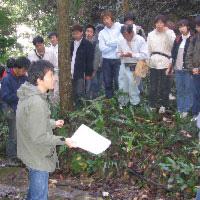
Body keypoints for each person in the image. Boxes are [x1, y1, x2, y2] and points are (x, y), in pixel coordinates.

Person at [16, 60, 77, 200]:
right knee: (39, 197)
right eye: (50, 75)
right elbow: (39, 137)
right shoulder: (37, 102)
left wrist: (53, 123)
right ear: (39, 79)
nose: (54, 78)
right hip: (37, 157)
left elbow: (30, 121)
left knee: (33, 194)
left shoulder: (28, 95)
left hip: (29, 151)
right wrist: (64, 140)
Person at [1, 56, 30, 164]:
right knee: (14, 131)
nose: (25, 72)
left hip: (21, 107)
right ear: (18, 67)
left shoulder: (24, 78)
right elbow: (4, 96)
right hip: (8, 107)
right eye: (24, 69)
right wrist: (19, 96)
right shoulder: (7, 79)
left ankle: (20, 155)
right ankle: (11, 157)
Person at [147, 15, 176, 113]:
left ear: (164, 23)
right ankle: (152, 105)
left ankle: (164, 105)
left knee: (165, 86)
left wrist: (166, 32)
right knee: (153, 86)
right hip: (153, 62)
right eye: (157, 22)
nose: (159, 25)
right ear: (155, 23)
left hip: (165, 62)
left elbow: (173, 45)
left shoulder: (170, 33)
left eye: (161, 22)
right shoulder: (151, 34)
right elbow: (148, 49)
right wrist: (147, 62)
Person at [166, 19, 193, 118]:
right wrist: (170, 67)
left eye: (183, 26)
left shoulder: (193, 39)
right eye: (180, 26)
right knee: (180, 90)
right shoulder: (177, 39)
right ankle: (180, 109)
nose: (182, 28)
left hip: (188, 70)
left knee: (189, 90)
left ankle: (186, 110)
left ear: (188, 27)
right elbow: (173, 55)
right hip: (178, 70)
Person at [116, 24, 148, 108]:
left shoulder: (140, 40)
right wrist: (121, 55)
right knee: (122, 85)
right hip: (124, 65)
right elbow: (117, 54)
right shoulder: (121, 41)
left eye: (127, 35)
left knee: (133, 86)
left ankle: (135, 105)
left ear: (132, 32)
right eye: (124, 35)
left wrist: (132, 55)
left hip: (136, 66)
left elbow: (145, 55)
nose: (126, 37)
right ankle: (123, 104)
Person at [28, 35, 59, 105]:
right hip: (39, 79)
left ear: (43, 43)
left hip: (51, 76)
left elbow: (56, 66)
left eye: (40, 45)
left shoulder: (51, 52)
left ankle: (54, 108)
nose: (39, 47)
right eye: (37, 46)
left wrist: (54, 78)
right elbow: (30, 70)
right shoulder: (31, 55)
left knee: (54, 95)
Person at [98, 10, 123, 99]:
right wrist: (115, 45)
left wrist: (108, 43)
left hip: (118, 59)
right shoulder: (102, 33)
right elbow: (102, 48)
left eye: (107, 18)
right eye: (104, 19)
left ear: (111, 17)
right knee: (108, 82)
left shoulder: (120, 27)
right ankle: (110, 101)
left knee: (118, 81)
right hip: (106, 60)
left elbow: (120, 41)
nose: (106, 21)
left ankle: (120, 101)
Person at [70, 24, 93, 108]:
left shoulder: (87, 44)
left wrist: (88, 73)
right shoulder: (71, 44)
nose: (75, 35)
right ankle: (76, 108)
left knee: (80, 92)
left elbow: (90, 60)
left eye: (77, 33)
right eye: (74, 34)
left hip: (81, 72)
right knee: (74, 92)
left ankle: (83, 109)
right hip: (72, 71)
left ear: (81, 33)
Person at [185, 16, 200, 121]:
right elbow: (188, 55)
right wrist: (192, 68)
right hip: (195, 72)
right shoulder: (195, 39)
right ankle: (196, 114)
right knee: (196, 93)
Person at [90, 24, 105, 99]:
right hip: (94, 66)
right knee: (94, 83)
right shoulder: (93, 41)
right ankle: (93, 100)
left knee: (99, 83)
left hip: (102, 66)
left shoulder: (105, 40)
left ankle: (98, 99)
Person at [84, 24, 96, 100]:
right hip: (81, 70)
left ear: (93, 34)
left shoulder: (94, 44)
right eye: (87, 31)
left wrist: (94, 71)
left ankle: (89, 104)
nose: (89, 33)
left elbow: (96, 59)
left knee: (90, 88)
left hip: (90, 70)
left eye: (91, 32)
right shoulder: (80, 42)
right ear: (85, 32)